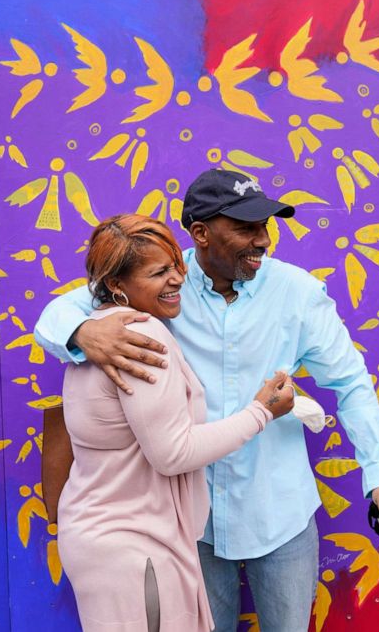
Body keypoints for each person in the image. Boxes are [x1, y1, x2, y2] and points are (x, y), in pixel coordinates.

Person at [37, 169, 379, 631]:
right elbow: (60, 311)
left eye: (265, 226)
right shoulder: (162, 287)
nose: (263, 240)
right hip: (192, 525)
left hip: (279, 513)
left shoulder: (298, 293)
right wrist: (81, 330)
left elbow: (352, 384)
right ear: (201, 234)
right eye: (246, 228)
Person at [56, 214, 296, 632]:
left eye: (176, 266)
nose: (177, 279)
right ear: (117, 286)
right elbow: (173, 452)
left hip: (107, 540)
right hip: (134, 546)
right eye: (159, 272)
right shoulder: (141, 338)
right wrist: (260, 413)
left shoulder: (95, 335)